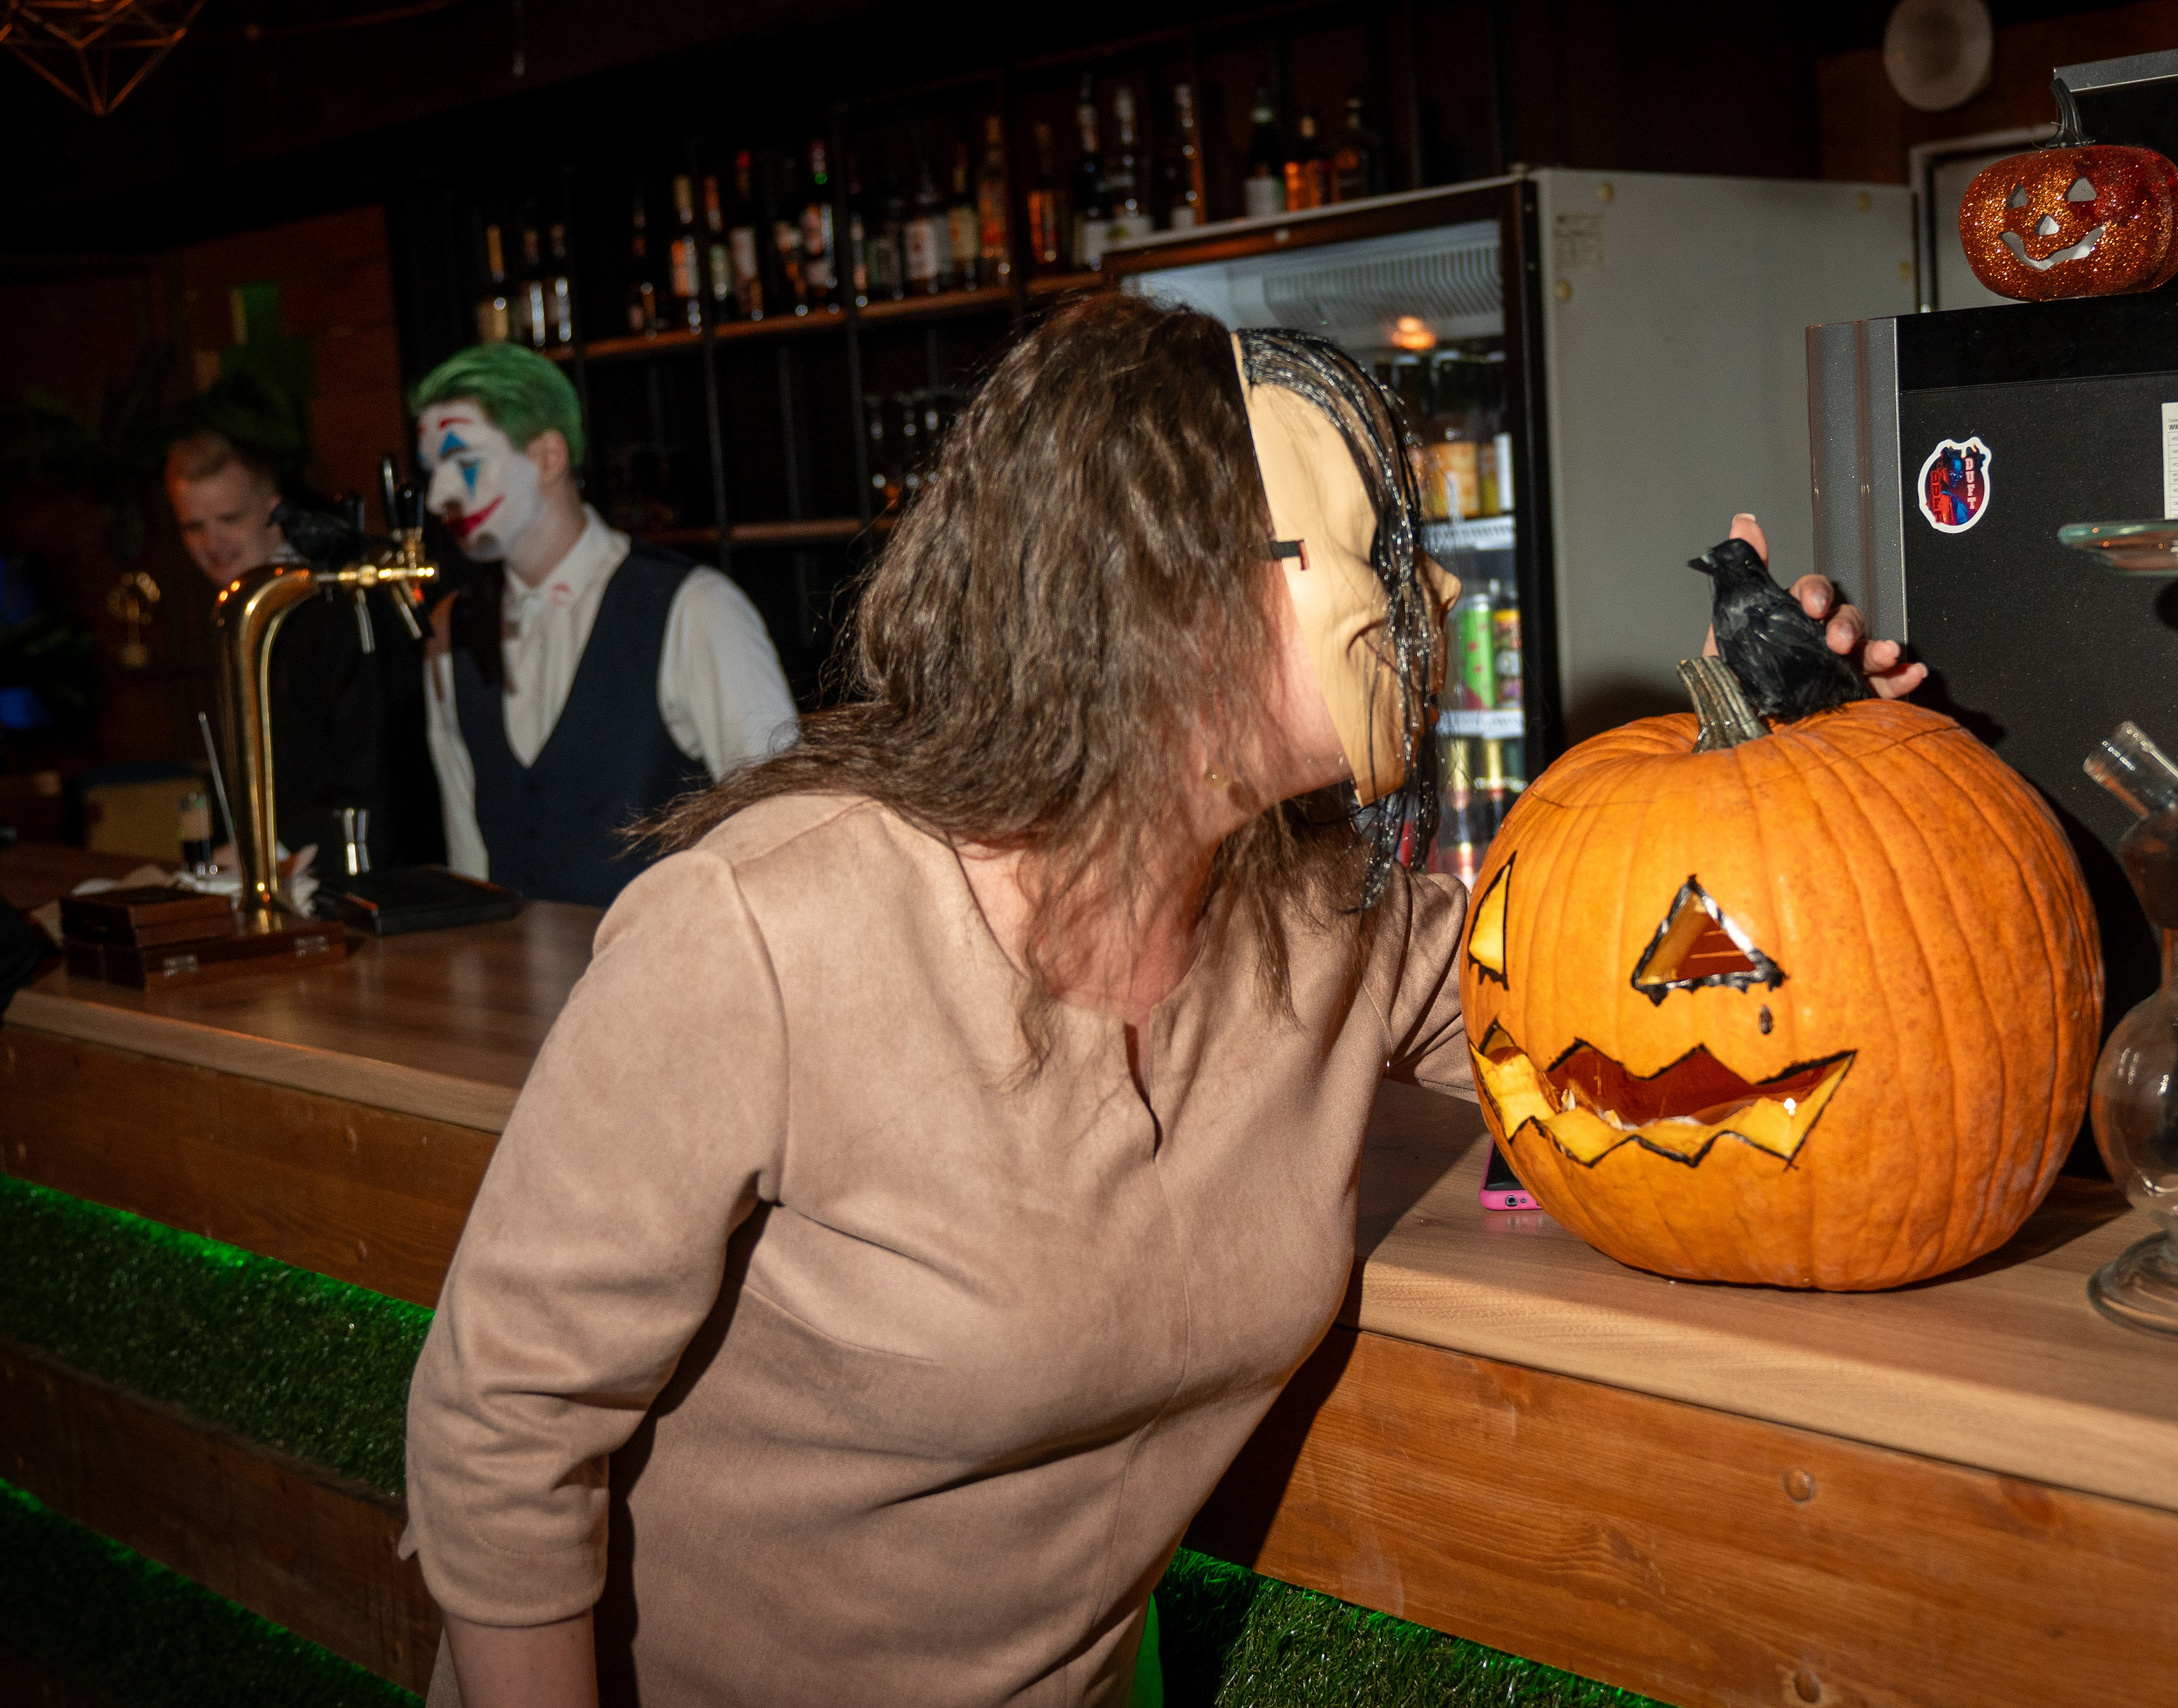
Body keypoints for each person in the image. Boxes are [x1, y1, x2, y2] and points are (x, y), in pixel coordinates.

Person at [401, 296, 1921, 1708]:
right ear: (1168, 589)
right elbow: (500, 1430)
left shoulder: (1330, 923)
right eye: (1378, 544)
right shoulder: (763, 929)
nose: (1436, 588)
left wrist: (1809, 761)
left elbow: (1693, 1019)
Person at [411, 344, 798, 908]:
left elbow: (784, 832)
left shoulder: (693, 607)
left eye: (463, 461)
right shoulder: (452, 630)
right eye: (431, 471)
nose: (437, 496)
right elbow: (468, 853)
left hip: (667, 979)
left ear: (547, 457)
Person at [164, 388, 443, 871]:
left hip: (369, 881)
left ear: (275, 512)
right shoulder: (239, 609)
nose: (212, 543)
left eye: (230, 518)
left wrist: (270, 852)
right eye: (193, 526)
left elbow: (373, 776)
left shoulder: (339, 603)